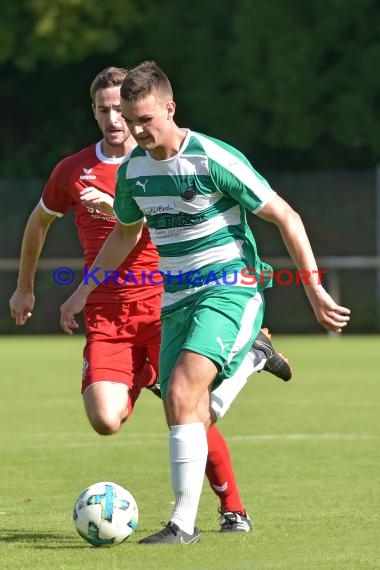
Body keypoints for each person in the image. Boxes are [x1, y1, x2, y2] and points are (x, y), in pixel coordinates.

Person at [9, 66, 291, 535]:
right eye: (105, 110)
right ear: (94, 113)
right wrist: (26, 286)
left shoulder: (157, 160)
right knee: (105, 418)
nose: (116, 119)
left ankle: (231, 510)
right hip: (108, 315)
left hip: (166, 305)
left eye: (122, 109)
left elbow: (171, 221)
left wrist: (128, 212)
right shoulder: (73, 170)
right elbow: (39, 223)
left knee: (187, 403)